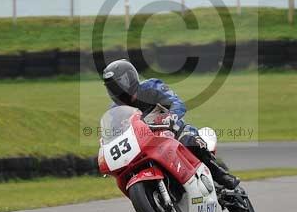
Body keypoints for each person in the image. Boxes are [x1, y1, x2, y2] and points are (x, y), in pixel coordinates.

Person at [101, 59, 241, 189]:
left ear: (130, 78)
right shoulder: (115, 111)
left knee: (190, 141)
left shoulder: (151, 87)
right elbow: (113, 133)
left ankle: (220, 175)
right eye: (112, 86)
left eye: (119, 83)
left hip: (172, 131)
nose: (117, 89)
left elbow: (176, 102)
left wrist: (170, 116)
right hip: (145, 143)